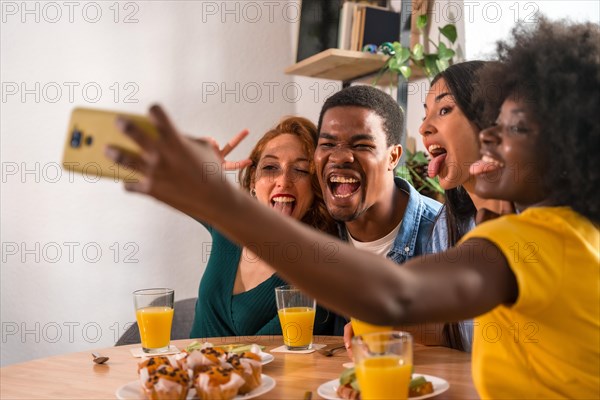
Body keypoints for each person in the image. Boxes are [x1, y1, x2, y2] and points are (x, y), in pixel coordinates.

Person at [106, 17, 599, 398]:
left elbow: (397, 295)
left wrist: (222, 200)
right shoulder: (571, 235)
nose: (491, 136)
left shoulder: (534, 242)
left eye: (511, 128)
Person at [311, 85, 448, 345]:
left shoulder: (442, 232)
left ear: (393, 156)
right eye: (327, 144)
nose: (339, 157)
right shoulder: (320, 231)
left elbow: (463, 341)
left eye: (362, 145)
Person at [189, 116, 339, 337]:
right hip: (181, 370)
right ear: (252, 181)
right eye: (270, 167)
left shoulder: (320, 267)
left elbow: (280, 356)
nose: (283, 181)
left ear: (315, 187)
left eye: (300, 170)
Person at [419, 61, 513, 352]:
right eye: (425, 115)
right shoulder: (446, 231)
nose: (424, 127)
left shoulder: (541, 222)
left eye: (444, 110)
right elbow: (446, 329)